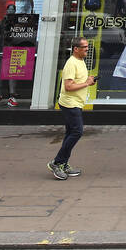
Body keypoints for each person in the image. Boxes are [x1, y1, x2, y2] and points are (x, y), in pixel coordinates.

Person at [48, 37, 95, 179]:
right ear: (76, 49)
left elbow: (78, 82)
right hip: (70, 103)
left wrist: (88, 82)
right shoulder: (71, 63)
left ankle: (64, 163)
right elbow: (68, 87)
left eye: (87, 46)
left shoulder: (80, 61)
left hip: (76, 103)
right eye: (84, 47)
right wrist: (86, 83)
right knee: (77, 132)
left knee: (70, 133)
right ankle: (57, 162)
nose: (87, 49)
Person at [0, 4, 21, 107]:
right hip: (1, 51)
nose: (11, 11)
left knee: (12, 74)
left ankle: (12, 96)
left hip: (13, 51)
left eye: (13, 10)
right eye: (10, 9)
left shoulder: (18, 23)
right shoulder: (1, 23)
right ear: (7, 10)